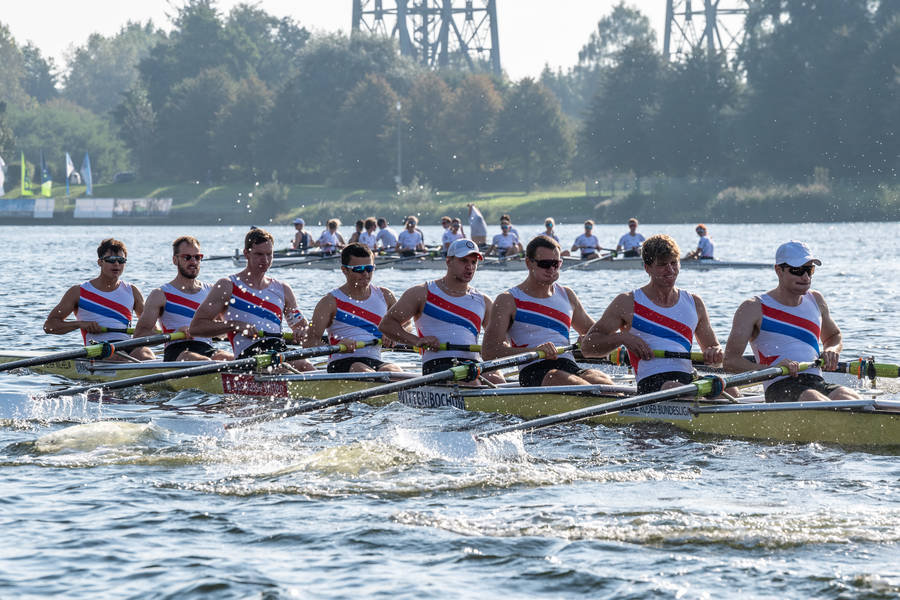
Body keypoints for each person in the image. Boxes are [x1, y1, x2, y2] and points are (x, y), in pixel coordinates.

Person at [581, 234, 726, 394]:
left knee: (732, 392)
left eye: (674, 263)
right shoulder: (627, 303)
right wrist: (622, 338)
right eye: (663, 265)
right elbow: (588, 347)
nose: (670, 270)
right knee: (676, 389)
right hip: (652, 383)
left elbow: (713, 349)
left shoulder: (694, 303)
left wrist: (716, 353)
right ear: (647, 268)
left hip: (687, 379)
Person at [724, 241, 859, 403]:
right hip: (779, 386)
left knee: (848, 396)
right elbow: (730, 361)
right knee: (813, 398)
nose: (805, 277)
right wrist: (769, 369)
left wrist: (831, 350)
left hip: (816, 381)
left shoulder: (816, 299)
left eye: (810, 270)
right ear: (778, 270)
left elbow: (834, 336)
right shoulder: (753, 308)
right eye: (798, 270)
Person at [482, 236, 613, 387]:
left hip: (569, 366)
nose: (551, 269)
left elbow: (599, 336)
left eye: (556, 264)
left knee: (601, 380)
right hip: (533, 371)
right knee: (558, 377)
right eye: (545, 264)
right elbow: (489, 352)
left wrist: (589, 340)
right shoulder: (508, 300)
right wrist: (534, 351)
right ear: (528, 263)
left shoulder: (567, 295)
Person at [380, 238, 504, 384]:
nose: (470, 267)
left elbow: (499, 340)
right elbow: (386, 325)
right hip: (438, 365)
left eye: (473, 262)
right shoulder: (422, 293)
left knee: (498, 379)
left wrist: (491, 348)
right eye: (464, 261)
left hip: (473, 365)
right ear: (448, 261)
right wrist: (417, 341)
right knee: (472, 382)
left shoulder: (484, 300)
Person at [190, 228, 313, 370]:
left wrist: (302, 330)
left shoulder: (283, 289)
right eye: (259, 254)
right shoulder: (227, 285)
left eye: (269, 254)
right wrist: (235, 325)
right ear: (246, 254)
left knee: (306, 365)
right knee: (301, 365)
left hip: (278, 351)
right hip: (248, 358)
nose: (265, 260)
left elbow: (302, 326)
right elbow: (196, 328)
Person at [43, 238, 155, 361]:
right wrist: (80, 324)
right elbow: (49, 326)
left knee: (147, 355)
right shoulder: (78, 292)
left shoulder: (132, 291)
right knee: (118, 357)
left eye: (121, 260)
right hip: (97, 348)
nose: (117, 264)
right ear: (100, 262)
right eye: (111, 260)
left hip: (127, 345)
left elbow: (152, 328)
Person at [133, 236, 233, 362]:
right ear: (175, 260)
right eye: (187, 257)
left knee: (230, 358)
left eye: (197, 257)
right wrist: (172, 335)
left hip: (207, 349)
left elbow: (222, 332)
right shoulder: (160, 295)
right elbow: (139, 336)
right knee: (205, 362)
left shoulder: (211, 292)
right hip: (177, 353)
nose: (193, 262)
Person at [305, 244, 403, 373]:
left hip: (374, 361)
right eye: (359, 269)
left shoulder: (385, 296)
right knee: (362, 370)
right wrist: (335, 346)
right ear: (344, 270)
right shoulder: (329, 302)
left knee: (394, 370)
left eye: (369, 268)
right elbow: (309, 342)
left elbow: (406, 325)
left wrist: (393, 334)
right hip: (341, 362)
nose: (366, 274)